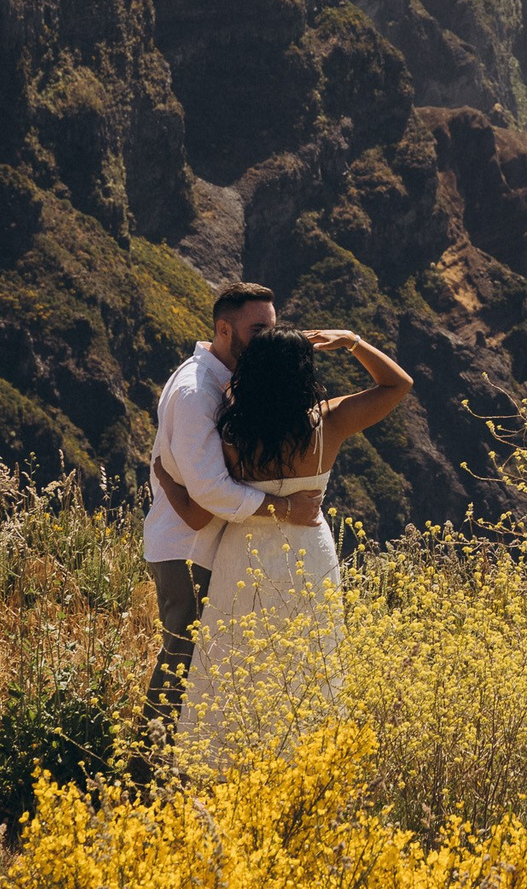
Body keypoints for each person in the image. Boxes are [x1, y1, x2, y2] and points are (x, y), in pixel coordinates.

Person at [153, 322, 412, 763]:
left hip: (242, 557)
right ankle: (304, 763)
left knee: (235, 661)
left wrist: (165, 480)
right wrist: (352, 340)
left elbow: (198, 513)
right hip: (309, 553)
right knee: (310, 658)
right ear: (304, 374)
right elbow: (397, 384)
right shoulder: (328, 423)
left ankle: (226, 762)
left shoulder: (233, 436)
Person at [140, 282, 326, 747]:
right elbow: (209, 492)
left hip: (205, 545)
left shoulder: (224, 383)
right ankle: (145, 771)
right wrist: (285, 507)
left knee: (204, 667)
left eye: (273, 328)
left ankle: (184, 768)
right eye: (257, 328)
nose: (268, 338)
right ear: (224, 329)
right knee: (182, 662)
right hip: (188, 548)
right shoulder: (196, 391)